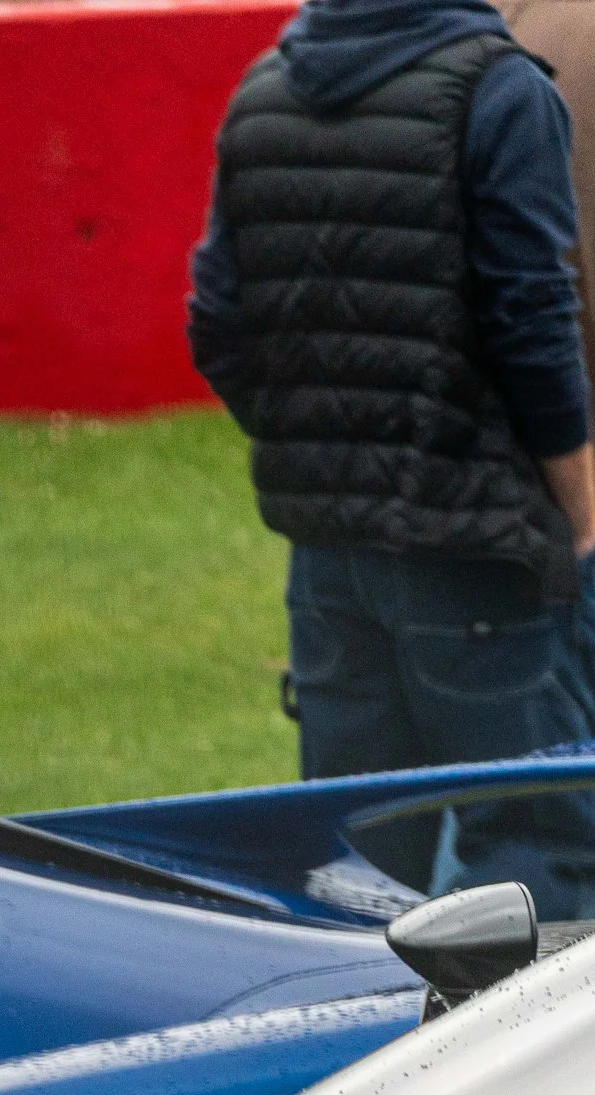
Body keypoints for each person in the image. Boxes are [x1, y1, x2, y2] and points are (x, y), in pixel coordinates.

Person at [188, 0, 595, 777]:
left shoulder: (264, 87)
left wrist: (316, 442)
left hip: (327, 552)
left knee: (358, 854)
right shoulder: (504, 91)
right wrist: (581, 509)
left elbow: (217, 323)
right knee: (534, 839)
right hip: (483, 549)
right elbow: (534, 323)